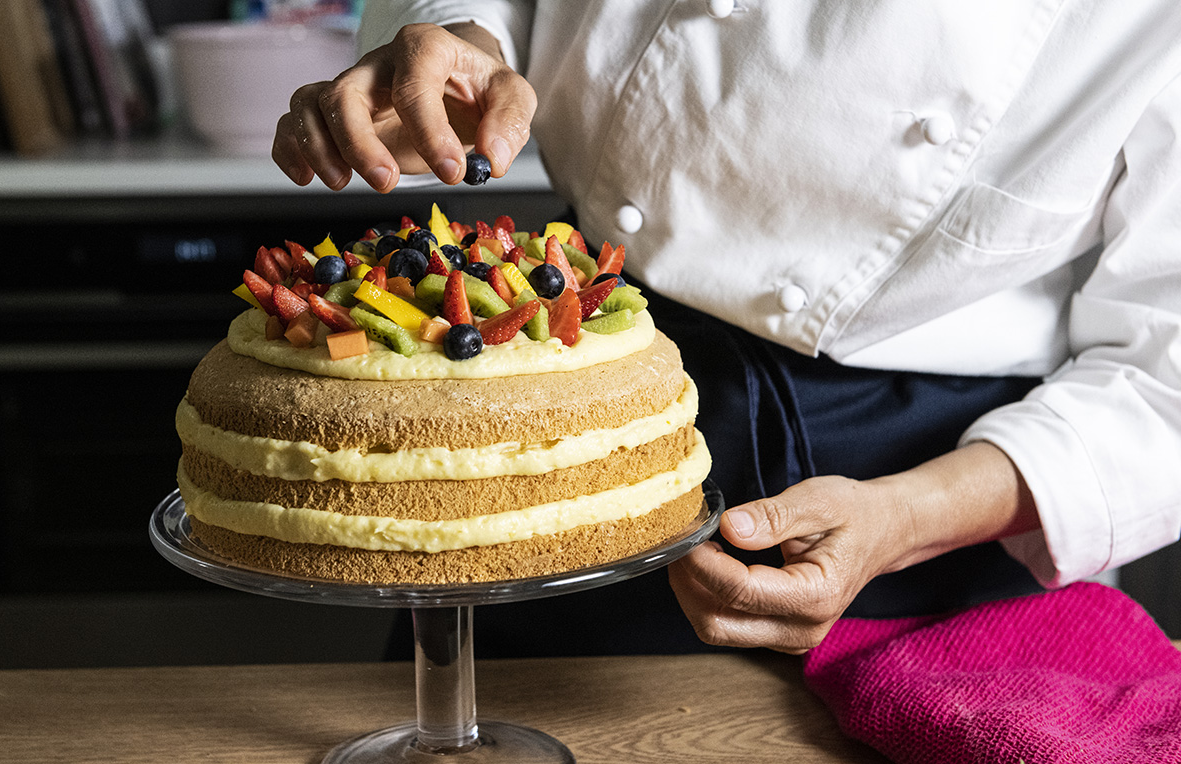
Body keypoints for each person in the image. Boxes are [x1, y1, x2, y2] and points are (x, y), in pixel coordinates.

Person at [272, 1, 1181, 656]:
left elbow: (1166, 374)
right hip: (571, 371)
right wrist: (460, 29)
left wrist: (906, 519)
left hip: (925, 486)